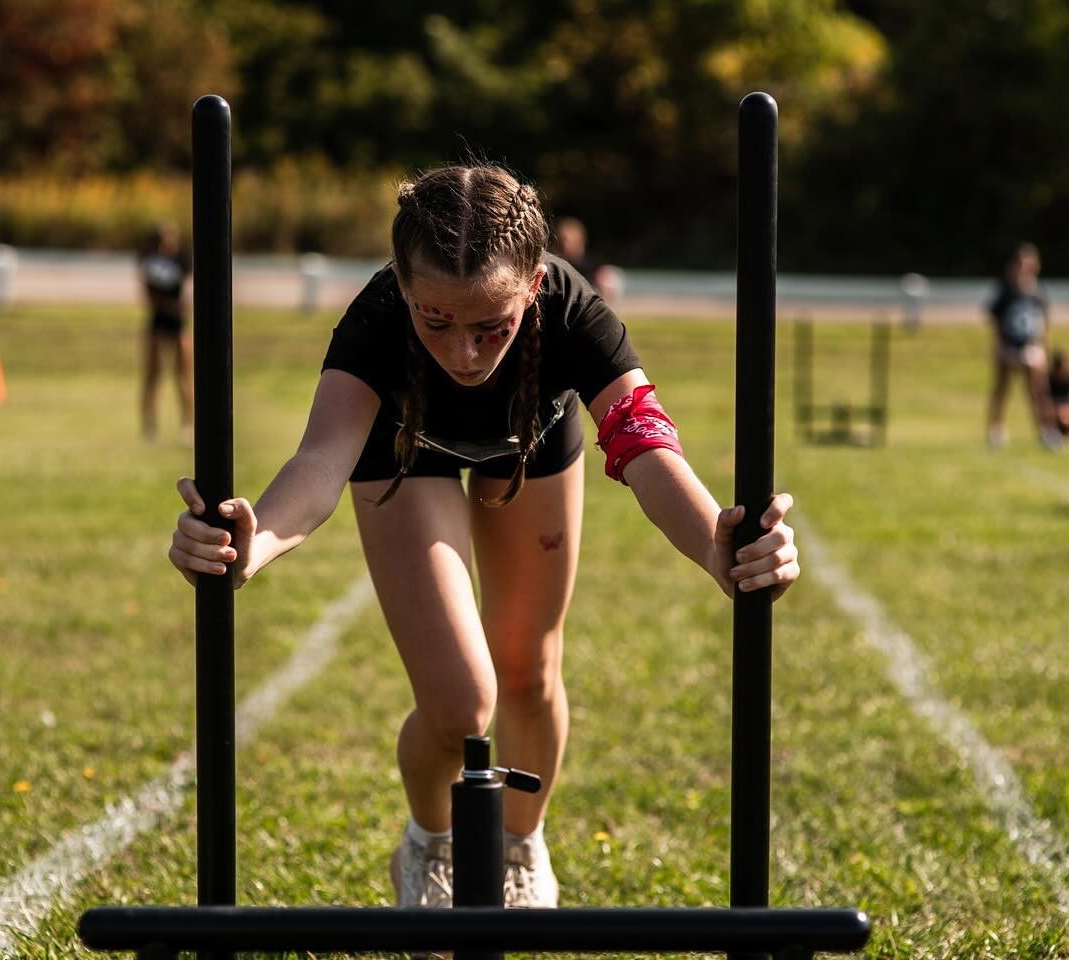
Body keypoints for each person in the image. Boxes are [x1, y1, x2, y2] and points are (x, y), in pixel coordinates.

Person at [167, 164, 800, 910]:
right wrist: (253, 541)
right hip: (405, 452)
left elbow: (645, 444)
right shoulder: (374, 321)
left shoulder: (571, 310)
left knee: (528, 671)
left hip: (531, 441)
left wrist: (716, 547)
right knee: (463, 702)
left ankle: (520, 845)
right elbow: (321, 461)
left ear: (532, 285)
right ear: (403, 287)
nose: (464, 353)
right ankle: (428, 845)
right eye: (436, 321)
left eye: (490, 327)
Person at [985, 242, 1059, 450]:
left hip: (1031, 346)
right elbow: (996, 320)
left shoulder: (1037, 291)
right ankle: (996, 430)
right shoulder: (1005, 290)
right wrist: (1000, 346)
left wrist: (1042, 348)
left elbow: (1043, 324)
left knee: (1039, 391)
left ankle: (1046, 431)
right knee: (1002, 389)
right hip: (1008, 345)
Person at [138, 223, 194, 443]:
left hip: (179, 324)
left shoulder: (182, 260)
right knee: (153, 375)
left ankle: (188, 425)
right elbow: (150, 295)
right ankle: (149, 425)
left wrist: (183, 304)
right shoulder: (150, 263)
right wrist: (173, 306)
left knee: (184, 376)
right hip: (158, 322)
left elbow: (188, 289)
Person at [1047, 347, 1069, 442]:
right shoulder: (1049, 379)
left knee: (1068, 415)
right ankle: (1052, 436)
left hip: (1068, 409)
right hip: (1054, 409)